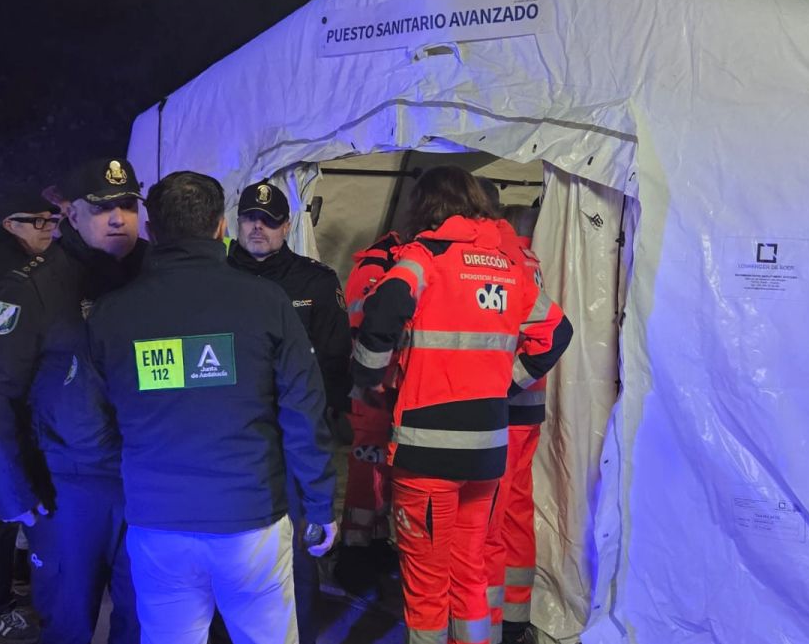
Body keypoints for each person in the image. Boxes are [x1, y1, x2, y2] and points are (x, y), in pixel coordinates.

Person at [87, 171, 336, 644]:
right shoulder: (267, 302)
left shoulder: (110, 313)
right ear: (222, 226)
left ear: (151, 231)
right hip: (250, 519)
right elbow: (304, 410)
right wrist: (320, 503)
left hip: (157, 521)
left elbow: (93, 421)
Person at [352, 166, 572, 644]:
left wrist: (368, 379)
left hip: (427, 451)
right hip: (487, 449)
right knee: (470, 573)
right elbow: (557, 332)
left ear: (425, 205)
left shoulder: (423, 257)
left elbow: (382, 310)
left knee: (426, 586)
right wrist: (505, 385)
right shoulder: (507, 265)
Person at [0, 158, 145, 644]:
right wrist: (9, 493)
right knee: (67, 624)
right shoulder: (33, 288)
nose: (118, 219)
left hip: (149, 482)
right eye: (101, 208)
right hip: (68, 490)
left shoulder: (157, 277)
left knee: (145, 622)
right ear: (72, 215)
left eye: (128, 206)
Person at [225, 181, 350, 642]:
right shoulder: (215, 278)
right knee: (232, 551)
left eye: (269, 220)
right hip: (234, 440)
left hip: (295, 439)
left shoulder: (315, 281)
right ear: (236, 223)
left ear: (287, 225)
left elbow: (335, 362)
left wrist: (321, 425)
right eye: (250, 218)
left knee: (297, 554)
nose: (258, 227)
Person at [0, 191, 59, 642]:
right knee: (2, 508)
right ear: (9, 224)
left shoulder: (16, 264)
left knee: (7, 504)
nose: (48, 228)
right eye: (36, 221)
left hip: (12, 408)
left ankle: (4, 583)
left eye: (51, 220)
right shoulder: (6, 273)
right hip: (4, 411)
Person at [485, 205, 549, 644]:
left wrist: (504, 384)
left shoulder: (505, 263)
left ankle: (490, 624)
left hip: (506, 409)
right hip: (530, 407)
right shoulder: (533, 262)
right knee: (517, 512)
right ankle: (514, 617)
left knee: (490, 519)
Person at [332, 231, 402, 596]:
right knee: (366, 474)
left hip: (388, 388)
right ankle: (354, 550)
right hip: (372, 390)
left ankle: (374, 540)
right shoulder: (377, 266)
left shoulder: (397, 260)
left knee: (381, 473)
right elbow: (363, 332)